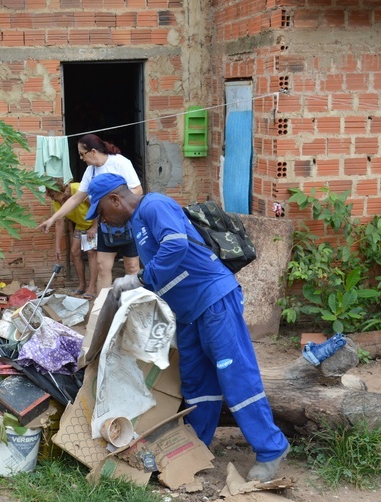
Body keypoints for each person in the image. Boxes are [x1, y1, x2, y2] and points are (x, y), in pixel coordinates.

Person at [85, 173, 290, 482]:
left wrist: (139, 279)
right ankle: (197, 448)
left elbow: (175, 245)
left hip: (214, 300)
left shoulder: (154, 205)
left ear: (115, 199)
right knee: (197, 384)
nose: (102, 221)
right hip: (189, 313)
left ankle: (272, 449)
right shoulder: (139, 222)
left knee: (236, 376)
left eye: (101, 212)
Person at [38, 134, 141, 291]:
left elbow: (138, 190)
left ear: (93, 151)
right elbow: (75, 199)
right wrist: (52, 219)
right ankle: (100, 309)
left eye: (82, 154)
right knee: (102, 267)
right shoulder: (90, 171)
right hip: (105, 223)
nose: (80, 158)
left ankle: (133, 304)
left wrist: (115, 200)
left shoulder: (120, 163)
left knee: (132, 266)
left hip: (126, 221)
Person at [46, 181, 98, 298]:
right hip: (81, 225)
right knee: (74, 252)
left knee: (91, 252)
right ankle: (82, 285)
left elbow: (95, 206)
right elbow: (59, 223)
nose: (54, 199)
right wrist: (57, 247)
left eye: (54, 195)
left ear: (61, 190)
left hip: (94, 223)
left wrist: (94, 227)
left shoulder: (78, 189)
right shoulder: (57, 201)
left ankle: (91, 288)